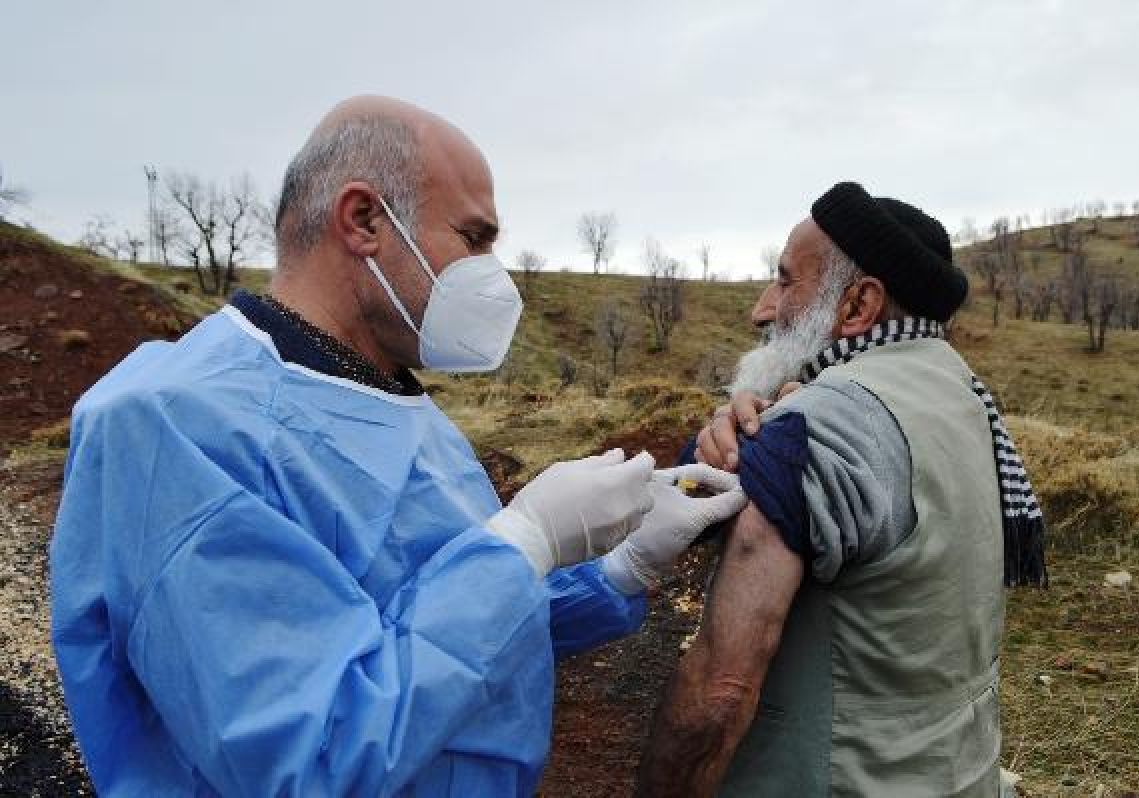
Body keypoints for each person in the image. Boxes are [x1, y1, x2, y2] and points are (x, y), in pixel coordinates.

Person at [50, 96, 747, 797]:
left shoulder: (394, 404)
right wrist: (523, 541)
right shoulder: (178, 424)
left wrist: (616, 568)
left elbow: (443, 639)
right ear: (364, 221)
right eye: (475, 237)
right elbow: (309, 754)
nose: (492, 271)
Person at [637, 182, 1046, 797]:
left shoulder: (820, 426)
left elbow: (722, 691)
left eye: (784, 281)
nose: (761, 308)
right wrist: (736, 439)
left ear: (857, 305)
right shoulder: (958, 397)